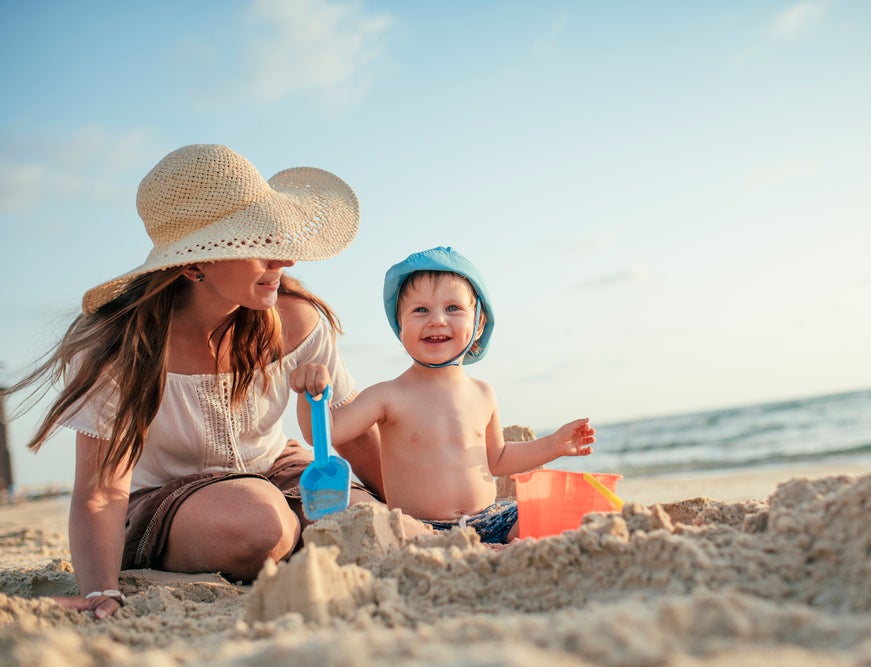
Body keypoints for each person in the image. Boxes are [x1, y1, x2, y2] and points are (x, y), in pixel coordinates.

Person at [2, 144, 383, 619]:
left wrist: (404, 514)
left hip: (276, 466)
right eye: (256, 242)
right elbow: (102, 491)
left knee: (365, 524)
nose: (282, 260)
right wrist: (102, 590)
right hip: (167, 497)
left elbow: (356, 430)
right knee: (262, 526)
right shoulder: (123, 347)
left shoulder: (297, 318)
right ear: (194, 263)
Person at [291, 246, 596, 544]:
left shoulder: (482, 393)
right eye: (420, 310)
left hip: (490, 519)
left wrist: (554, 444)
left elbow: (498, 458)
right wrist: (311, 394)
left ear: (478, 325)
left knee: (548, 517)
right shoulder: (388, 396)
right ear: (401, 326)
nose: (437, 320)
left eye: (453, 308)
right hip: (421, 529)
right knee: (398, 532)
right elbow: (324, 434)